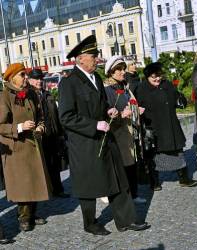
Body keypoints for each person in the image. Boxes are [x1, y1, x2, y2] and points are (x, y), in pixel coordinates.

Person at [58, 35, 150, 236]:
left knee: (118, 178)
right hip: (85, 144)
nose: (97, 58)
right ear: (80, 58)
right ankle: (89, 222)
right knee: (88, 184)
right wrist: (94, 125)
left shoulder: (97, 78)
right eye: (93, 55)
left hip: (106, 139)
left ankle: (127, 220)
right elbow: (66, 117)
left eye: (97, 55)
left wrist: (108, 110)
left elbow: (101, 105)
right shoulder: (69, 83)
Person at [0, 63, 51, 232]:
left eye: (25, 74)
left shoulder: (31, 94)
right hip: (17, 148)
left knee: (35, 181)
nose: (26, 78)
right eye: (22, 75)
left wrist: (40, 127)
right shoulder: (4, 96)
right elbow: (1, 126)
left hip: (33, 145)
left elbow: (41, 117)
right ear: (12, 77)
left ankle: (32, 214)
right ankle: (23, 217)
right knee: (23, 184)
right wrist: (20, 127)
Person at [137, 62, 197, 188]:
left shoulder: (167, 85)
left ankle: (184, 179)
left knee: (178, 152)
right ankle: (154, 182)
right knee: (154, 156)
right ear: (147, 77)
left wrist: (180, 99)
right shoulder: (142, 89)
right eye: (154, 77)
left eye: (159, 76)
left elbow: (177, 100)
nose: (157, 79)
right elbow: (137, 108)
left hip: (171, 126)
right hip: (154, 128)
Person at [104, 55, 146, 204]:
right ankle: (125, 197)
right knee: (123, 168)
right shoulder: (107, 91)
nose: (123, 72)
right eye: (119, 69)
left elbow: (131, 104)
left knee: (131, 165)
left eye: (123, 68)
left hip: (130, 133)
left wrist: (136, 109)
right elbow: (106, 114)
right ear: (111, 72)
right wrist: (122, 114)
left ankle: (133, 194)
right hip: (118, 135)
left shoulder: (125, 88)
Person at [28, 69, 69, 198]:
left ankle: (58, 189)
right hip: (39, 136)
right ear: (29, 80)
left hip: (53, 134)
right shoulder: (29, 96)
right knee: (42, 165)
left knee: (55, 163)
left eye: (41, 78)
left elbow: (56, 115)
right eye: (36, 79)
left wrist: (61, 133)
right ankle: (46, 191)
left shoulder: (47, 94)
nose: (39, 81)